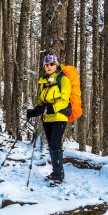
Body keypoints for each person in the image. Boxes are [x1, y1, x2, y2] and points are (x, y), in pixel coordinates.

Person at [26, 52, 72, 184]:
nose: (49, 66)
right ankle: (56, 171)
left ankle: (58, 175)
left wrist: (51, 108)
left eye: (52, 64)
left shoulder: (63, 79)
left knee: (56, 144)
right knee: (51, 145)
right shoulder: (44, 81)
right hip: (47, 118)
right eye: (47, 64)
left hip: (59, 116)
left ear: (56, 64)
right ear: (44, 66)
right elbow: (41, 101)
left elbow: (64, 99)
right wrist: (35, 111)